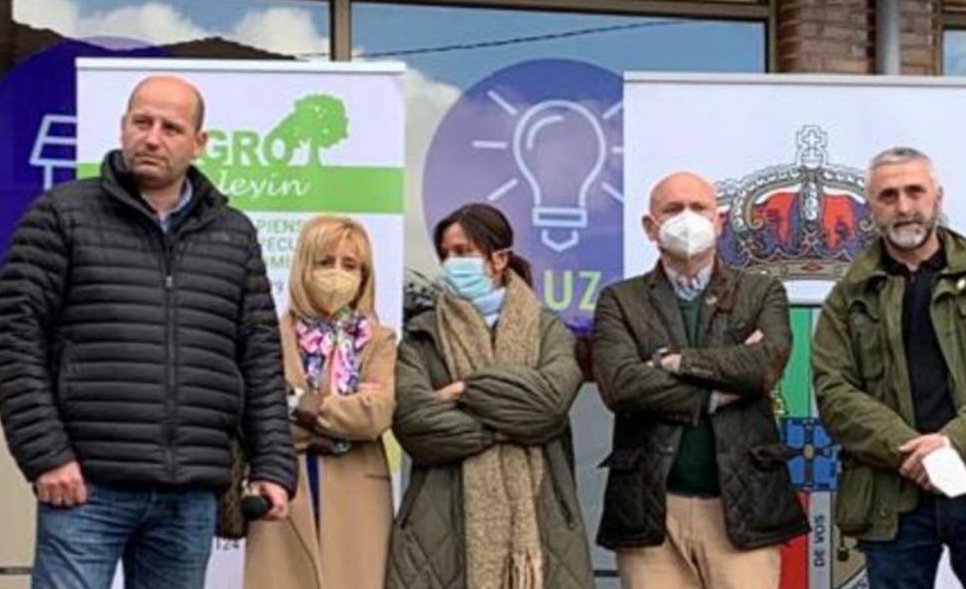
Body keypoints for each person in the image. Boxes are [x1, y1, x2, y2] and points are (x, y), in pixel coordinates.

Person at [0, 75, 297, 589]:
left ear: (199, 144)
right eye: (142, 122)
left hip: (189, 492)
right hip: (84, 485)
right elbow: (14, 342)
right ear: (123, 127)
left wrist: (273, 464)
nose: (152, 137)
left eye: (171, 127)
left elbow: (259, 357)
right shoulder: (62, 214)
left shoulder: (234, 234)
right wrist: (47, 455)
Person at [812, 147, 966, 589]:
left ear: (937, 197)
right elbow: (834, 392)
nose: (903, 206)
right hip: (892, 497)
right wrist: (911, 449)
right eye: (888, 195)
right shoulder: (848, 298)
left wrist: (953, 442)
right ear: (871, 209)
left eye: (914, 191)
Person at [591, 171, 807, 589]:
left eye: (699, 208)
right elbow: (620, 384)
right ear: (649, 227)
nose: (687, 218)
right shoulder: (620, 300)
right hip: (652, 512)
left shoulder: (762, 293)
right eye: (672, 209)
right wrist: (713, 394)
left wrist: (673, 362)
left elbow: (764, 366)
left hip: (742, 510)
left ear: (719, 220)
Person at [386, 203, 594, 589]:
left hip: (541, 520)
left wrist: (466, 389)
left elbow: (548, 405)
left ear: (499, 259)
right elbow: (416, 424)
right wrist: (507, 425)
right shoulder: (422, 336)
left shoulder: (549, 330)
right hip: (440, 525)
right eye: (446, 254)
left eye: (463, 252)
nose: (452, 262)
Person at [245, 215, 396, 589]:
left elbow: (374, 415)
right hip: (283, 486)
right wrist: (332, 421)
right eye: (325, 262)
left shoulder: (379, 340)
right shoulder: (266, 336)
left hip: (358, 496)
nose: (337, 274)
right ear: (303, 267)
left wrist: (297, 403)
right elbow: (256, 415)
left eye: (350, 265)